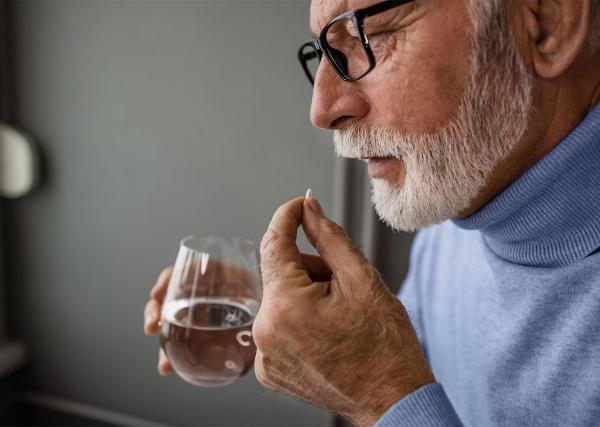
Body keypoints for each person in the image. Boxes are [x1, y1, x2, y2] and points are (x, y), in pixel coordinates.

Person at [144, 0, 600, 425]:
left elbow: (396, 383)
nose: (322, 110)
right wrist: (287, 319)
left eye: (369, 35)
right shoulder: (457, 215)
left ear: (546, 23)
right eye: (323, 50)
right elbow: (417, 364)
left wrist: (382, 397)